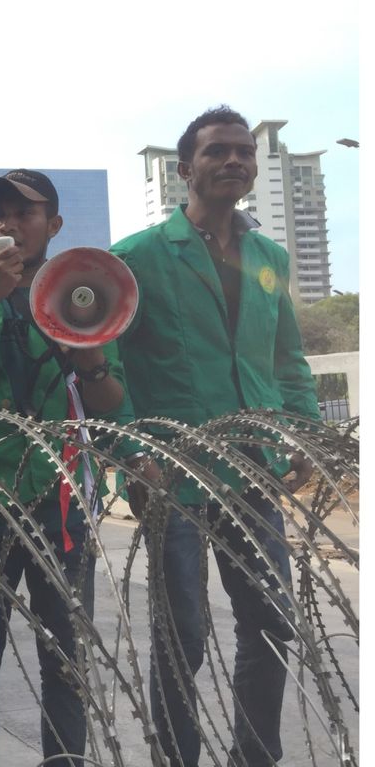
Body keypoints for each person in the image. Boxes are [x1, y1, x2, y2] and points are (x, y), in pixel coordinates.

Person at [110, 106, 319, 767]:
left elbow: (287, 362)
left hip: (253, 469)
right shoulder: (136, 258)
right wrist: (130, 460)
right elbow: (105, 370)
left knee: (271, 624)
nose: (235, 161)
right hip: (173, 470)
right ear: (184, 170)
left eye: (243, 152)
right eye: (218, 152)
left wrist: (302, 438)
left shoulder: (269, 258)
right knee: (185, 638)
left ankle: (254, 757)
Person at [0, 169, 132, 767]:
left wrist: (88, 356)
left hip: (56, 498)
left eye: (23, 213)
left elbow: (110, 399)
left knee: (66, 657)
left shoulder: (76, 293)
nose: (5, 224)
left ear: (53, 226)